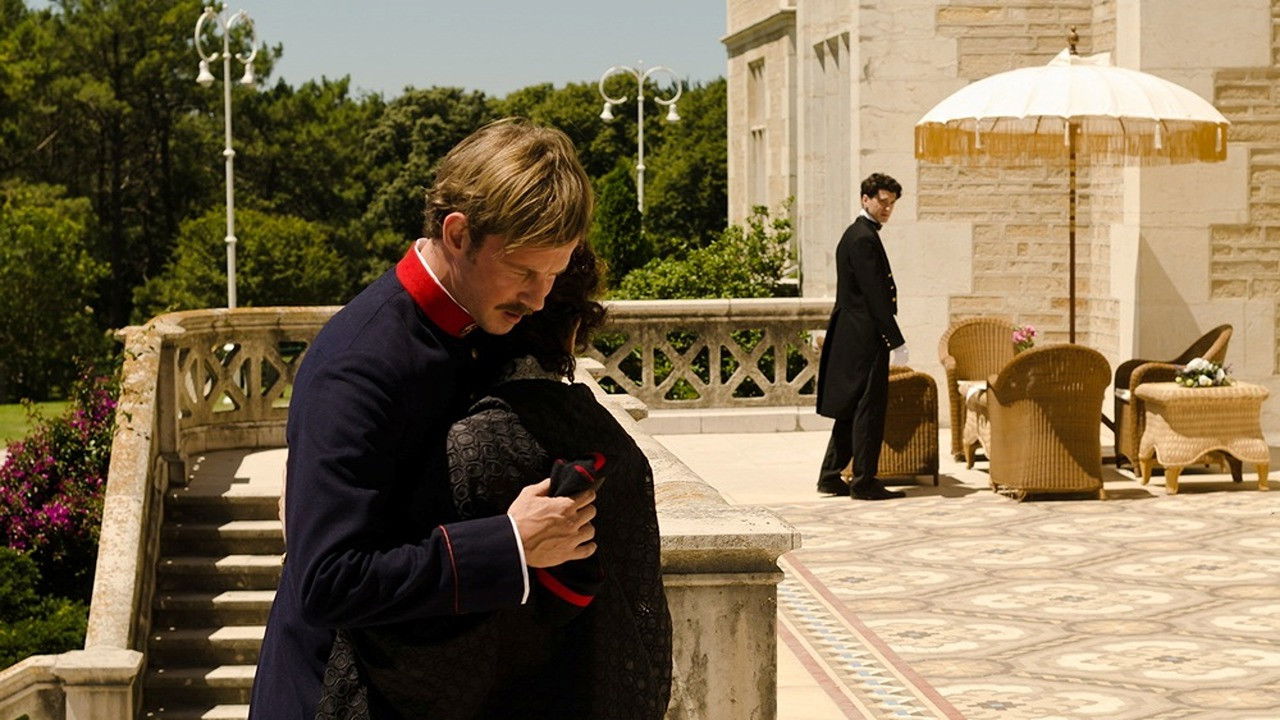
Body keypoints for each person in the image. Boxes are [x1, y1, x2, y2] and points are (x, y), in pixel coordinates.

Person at [249, 118, 600, 720]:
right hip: (331, 698)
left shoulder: (483, 318)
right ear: (458, 233)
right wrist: (510, 545)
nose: (540, 297)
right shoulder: (355, 365)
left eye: (554, 274)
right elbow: (327, 580)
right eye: (524, 272)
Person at [314, 243, 673, 720]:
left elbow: (410, 650)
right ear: (574, 328)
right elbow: (643, 623)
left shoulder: (459, 445)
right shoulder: (616, 448)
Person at [815, 173, 908, 501]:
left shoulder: (857, 234)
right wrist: (895, 339)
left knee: (851, 407)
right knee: (868, 408)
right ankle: (864, 480)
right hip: (865, 337)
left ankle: (830, 476)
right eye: (882, 201)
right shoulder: (863, 237)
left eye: (892, 204)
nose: (887, 208)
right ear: (865, 199)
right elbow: (874, 295)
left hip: (851, 335)